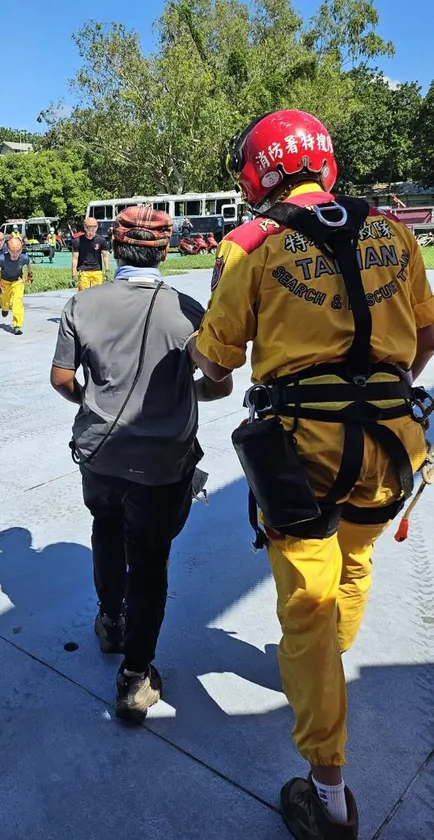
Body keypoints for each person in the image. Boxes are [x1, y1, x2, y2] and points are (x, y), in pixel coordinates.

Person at [188, 110, 434, 840]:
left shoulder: (251, 247)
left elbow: (214, 364)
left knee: (306, 607)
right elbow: (424, 333)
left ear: (255, 176)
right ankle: (335, 662)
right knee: (354, 558)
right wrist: (380, 385)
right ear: (322, 162)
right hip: (396, 444)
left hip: (303, 452)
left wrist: (204, 374)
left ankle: (328, 796)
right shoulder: (393, 231)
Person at [51, 206, 232, 723]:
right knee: (150, 560)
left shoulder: (82, 304)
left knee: (105, 528)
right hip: (163, 463)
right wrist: (185, 395)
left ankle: (109, 620)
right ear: (167, 249)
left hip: (99, 455)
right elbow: (220, 381)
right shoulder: (189, 310)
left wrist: (91, 402)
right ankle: (135, 678)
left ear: (112, 247)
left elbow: (63, 379)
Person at [0, 236, 33, 335]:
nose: (15, 254)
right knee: (6, 301)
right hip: (5, 282)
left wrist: (30, 275)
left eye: (18, 251)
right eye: (12, 251)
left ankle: (17, 325)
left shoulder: (24, 257)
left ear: (21, 250)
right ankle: (4, 308)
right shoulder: (2, 259)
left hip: (18, 282)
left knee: (17, 301)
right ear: (8, 250)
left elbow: (28, 265)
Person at [71, 217, 110, 290]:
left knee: (97, 295)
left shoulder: (101, 240)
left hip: (97, 271)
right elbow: (75, 258)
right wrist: (73, 275)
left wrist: (107, 271)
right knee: (84, 296)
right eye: (89, 230)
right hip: (83, 272)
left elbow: (105, 256)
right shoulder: (78, 241)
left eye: (94, 230)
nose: (91, 232)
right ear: (85, 228)